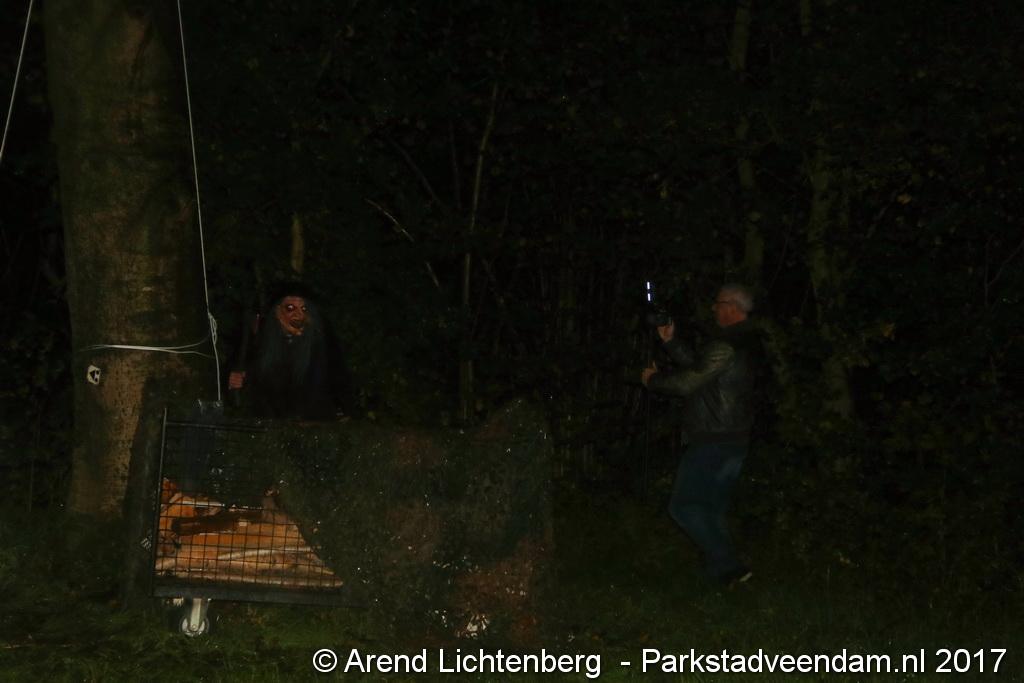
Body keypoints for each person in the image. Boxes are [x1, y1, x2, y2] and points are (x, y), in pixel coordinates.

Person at [641, 283, 760, 585]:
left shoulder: (727, 345)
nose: (713, 308)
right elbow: (702, 369)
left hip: (714, 441)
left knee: (682, 507)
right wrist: (671, 342)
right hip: (734, 439)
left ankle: (731, 565)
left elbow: (687, 382)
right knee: (711, 509)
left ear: (731, 307)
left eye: (717, 303)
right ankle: (723, 576)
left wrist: (653, 380)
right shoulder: (746, 341)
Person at [228, 283, 351, 420]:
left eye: (304, 309)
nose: (298, 314)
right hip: (273, 419)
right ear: (278, 311)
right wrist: (241, 378)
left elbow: (335, 379)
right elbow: (257, 377)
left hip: (312, 418)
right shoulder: (264, 340)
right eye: (290, 308)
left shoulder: (321, 342)